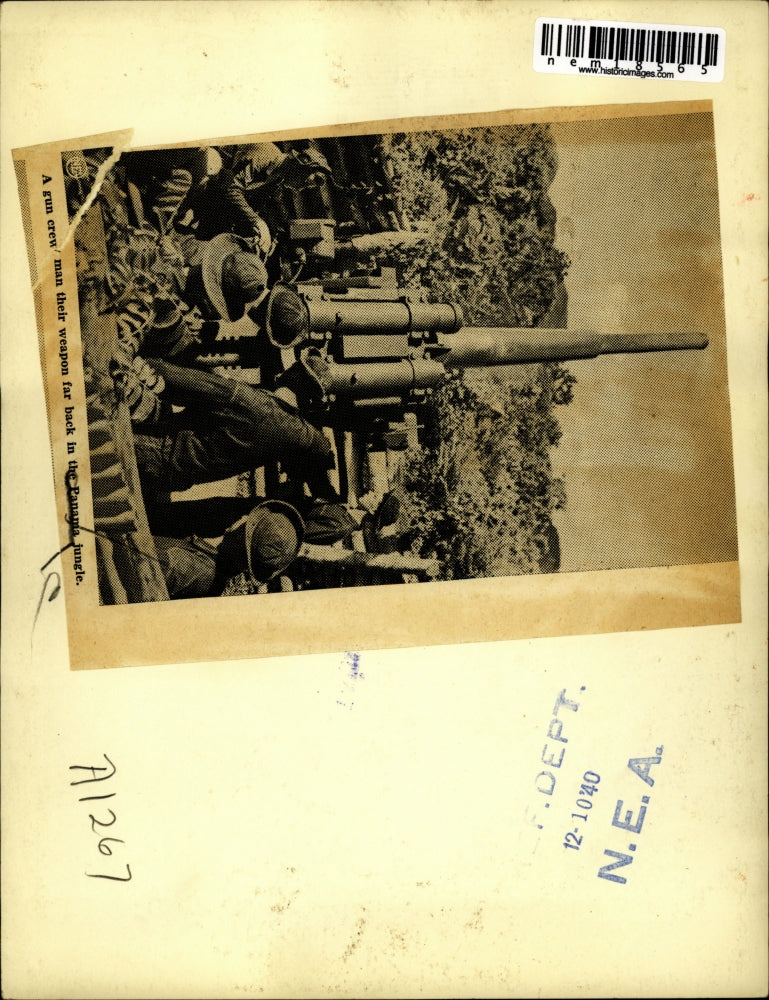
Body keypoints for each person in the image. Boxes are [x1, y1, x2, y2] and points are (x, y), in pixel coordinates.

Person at [153, 499, 304, 599]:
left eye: (248, 523)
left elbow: (140, 562)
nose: (243, 517)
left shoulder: (186, 566)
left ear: (239, 536)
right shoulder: (214, 579)